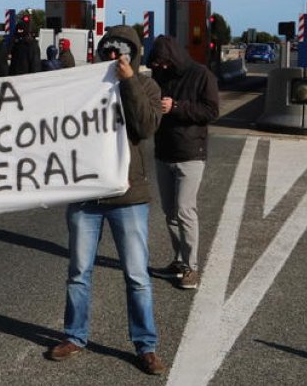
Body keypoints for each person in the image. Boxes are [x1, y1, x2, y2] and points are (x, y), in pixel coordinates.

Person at [47, 25, 165, 376]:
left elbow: (145, 127)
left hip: (128, 196)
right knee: (79, 272)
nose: (113, 59)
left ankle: (146, 345)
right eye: (107, 52)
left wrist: (128, 82)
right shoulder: (87, 85)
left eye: (120, 53)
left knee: (137, 275)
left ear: (134, 55)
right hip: (86, 197)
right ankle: (75, 335)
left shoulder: (147, 85)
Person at [147, 34, 220, 291]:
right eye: (157, 64)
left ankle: (192, 268)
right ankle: (179, 260)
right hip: (163, 151)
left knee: (185, 210)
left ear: (174, 57)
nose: (161, 68)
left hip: (191, 153)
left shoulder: (201, 75)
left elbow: (211, 111)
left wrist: (176, 106)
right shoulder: (159, 76)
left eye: (164, 63)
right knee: (170, 213)